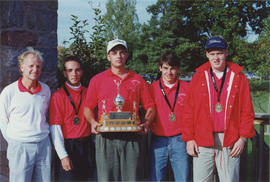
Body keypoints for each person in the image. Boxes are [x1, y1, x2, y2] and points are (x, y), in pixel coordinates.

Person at [182, 36, 255, 182]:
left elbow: (247, 111)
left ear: (226, 53)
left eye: (219, 53)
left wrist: (242, 139)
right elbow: (188, 111)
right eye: (212, 53)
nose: (216, 58)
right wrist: (189, 138)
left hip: (230, 139)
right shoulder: (198, 77)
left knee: (230, 179)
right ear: (207, 55)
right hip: (203, 138)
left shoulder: (239, 77)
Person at [84, 38, 156, 181]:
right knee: (106, 178)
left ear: (127, 55)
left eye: (122, 52)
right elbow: (88, 107)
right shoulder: (97, 80)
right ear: (108, 56)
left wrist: (146, 123)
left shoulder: (137, 80)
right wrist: (92, 123)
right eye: (114, 52)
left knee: (133, 178)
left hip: (131, 137)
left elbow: (150, 107)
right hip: (106, 137)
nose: (118, 56)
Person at [0, 47, 51, 182]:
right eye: (31, 66)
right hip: (20, 146)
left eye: (38, 66)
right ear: (21, 67)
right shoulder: (9, 92)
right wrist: (13, 140)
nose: (35, 69)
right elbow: (2, 120)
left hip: (43, 145)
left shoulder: (46, 90)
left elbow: (46, 116)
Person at [49, 56, 96, 181]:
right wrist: (63, 156)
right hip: (68, 147)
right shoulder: (57, 96)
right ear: (64, 73)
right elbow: (55, 128)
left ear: (82, 72)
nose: (74, 74)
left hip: (87, 146)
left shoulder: (89, 92)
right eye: (70, 70)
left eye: (77, 70)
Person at [149, 52, 190, 181]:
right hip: (158, 140)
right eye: (165, 68)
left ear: (177, 68)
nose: (169, 72)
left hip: (180, 140)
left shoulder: (187, 88)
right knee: (156, 178)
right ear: (160, 68)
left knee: (183, 178)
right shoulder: (151, 89)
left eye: (172, 68)